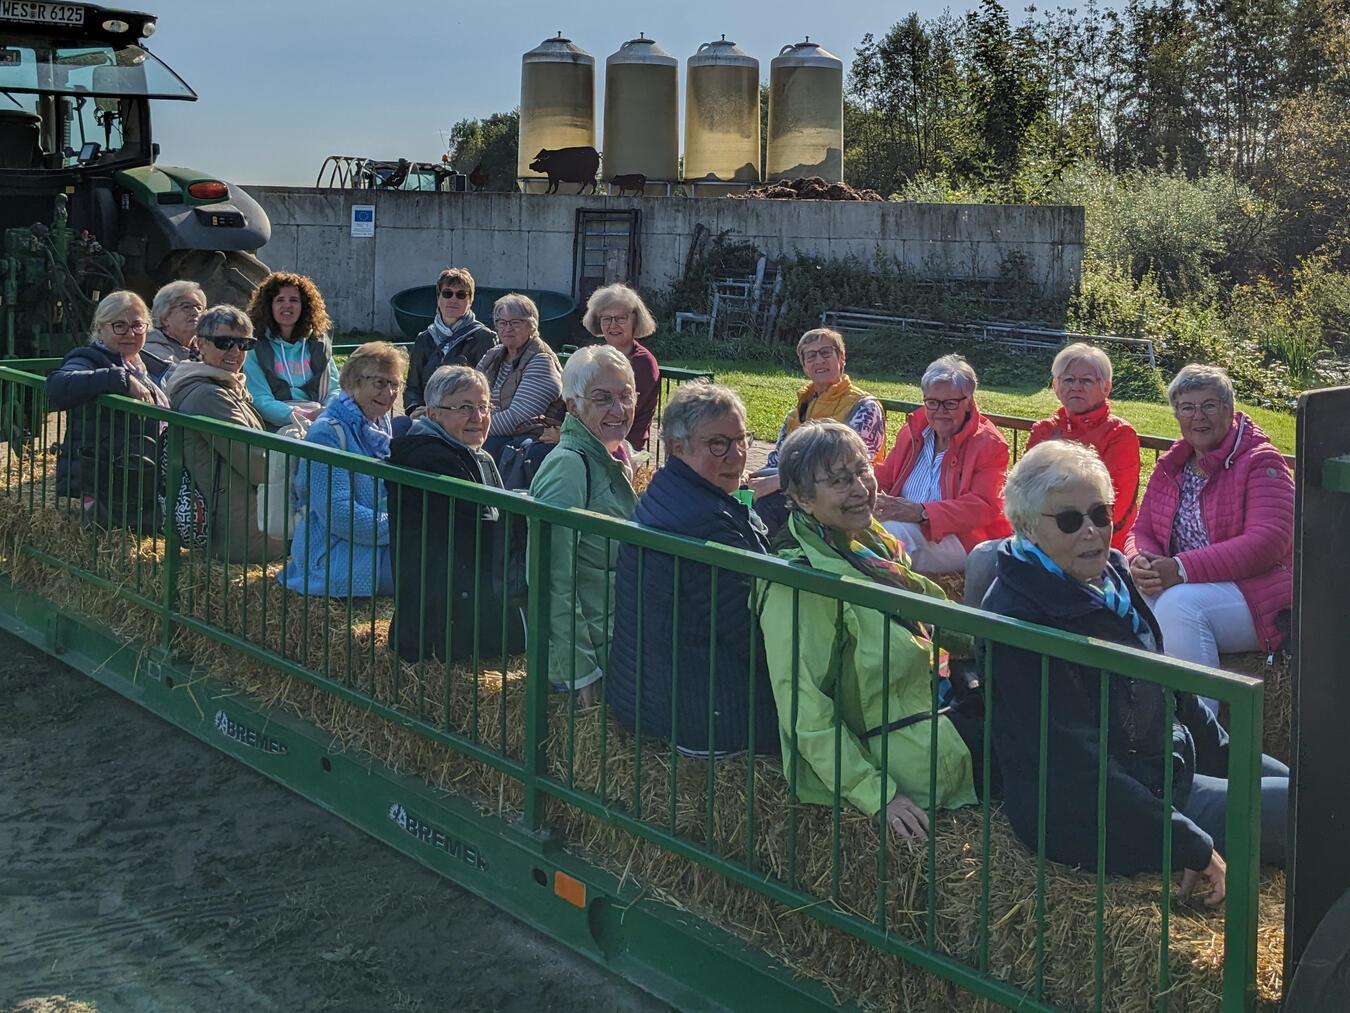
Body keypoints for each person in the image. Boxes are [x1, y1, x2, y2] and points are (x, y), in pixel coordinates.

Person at [983, 440, 1287, 901]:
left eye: (1100, 514)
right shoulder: (1021, 618)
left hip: (1160, 762)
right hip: (1104, 811)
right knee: (1319, 813)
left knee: (1306, 784)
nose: (1091, 531)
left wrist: (1230, 755)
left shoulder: (1110, 576)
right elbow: (1072, 764)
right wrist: (1187, 842)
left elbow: (1167, 684)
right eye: (1069, 520)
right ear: (1026, 526)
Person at [755, 421, 980, 841]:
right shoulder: (799, 585)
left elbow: (935, 611)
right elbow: (805, 711)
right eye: (839, 480)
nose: (860, 488)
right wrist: (880, 795)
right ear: (801, 498)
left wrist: (996, 640)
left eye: (863, 471)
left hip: (935, 714)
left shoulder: (871, 545)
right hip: (906, 754)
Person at [607, 383, 779, 755]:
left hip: (645, 692)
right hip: (700, 716)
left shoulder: (669, 492)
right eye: (718, 444)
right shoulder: (704, 521)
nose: (736, 455)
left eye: (741, 439)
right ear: (678, 447)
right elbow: (754, 636)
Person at [1126, 365, 1294, 705]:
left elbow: (1269, 541)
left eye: (1209, 405)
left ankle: (1202, 732)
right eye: (1187, 407)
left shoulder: (1261, 461)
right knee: (1112, 577)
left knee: (1180, 606)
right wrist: (1138, 560)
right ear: (1176, 414)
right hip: (1184, 581)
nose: (1197, 417)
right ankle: (1132, 712)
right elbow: (1142, 529)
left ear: (1230, 410)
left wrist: (1182, 569)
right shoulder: (1173, 465)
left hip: (1256, 592)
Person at [387, 365, 525, 663]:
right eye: (465, 408)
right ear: (434, 413)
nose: (479, 417)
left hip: (460, 602)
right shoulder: (430, 458)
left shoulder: (472, 453)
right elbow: (476, 529)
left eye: (484, 406)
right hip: (444, 626)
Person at [529, 345, 639, 707]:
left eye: (626, 396)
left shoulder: (608, 458)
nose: (619, 409)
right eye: (603, 398)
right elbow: (551, 575)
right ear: (573, 405)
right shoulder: (569, 467)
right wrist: (580, 670)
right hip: (589, 660)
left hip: (616, 643)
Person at [281, 342, 407, 597]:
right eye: (380, 383)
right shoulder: (327, 432)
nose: (390, 392)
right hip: (333, 552)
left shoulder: (378, 422)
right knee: (432, 575)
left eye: (395, 384)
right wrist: (402, 528)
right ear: (351, 383)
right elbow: (338, 514)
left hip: (372, 541)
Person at [164, 305, 287, 563]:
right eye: (224, 342)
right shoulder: (209, 395)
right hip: (244, 533)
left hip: (240, 517)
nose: (235, 352)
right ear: (201, 344)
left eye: (244, 344)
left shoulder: (222, 385)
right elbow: (259, 465)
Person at [873, 354, 1012, 574]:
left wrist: (923, 512)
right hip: (906, 524)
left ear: (969, 402)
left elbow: (984, 506)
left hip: (961, 538)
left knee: (888, 536)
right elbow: (886, 473)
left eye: (949, 404)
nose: (940, 412)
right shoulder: (912, 432)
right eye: (932, 402)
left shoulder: (989, 444)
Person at [46, 290, 167, 531]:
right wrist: (120, 379)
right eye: (119, 326)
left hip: (140, 476)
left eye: (137, 325)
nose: (130, 334)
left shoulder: (151, 366)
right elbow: (58, 385)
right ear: (100, 329)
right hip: (107, 481)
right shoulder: (89, 358)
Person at [750, 328, 886, 534]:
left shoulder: (864, 407)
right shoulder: (797, 411)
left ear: (842, 358)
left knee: (768, 505)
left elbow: (850, 467)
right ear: (804, 366)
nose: (819, 360)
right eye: (811, 356)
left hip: (844, 497)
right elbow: (776, 461)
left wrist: (780, 482)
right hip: (804, 492)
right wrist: (749, 478)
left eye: (826, 353)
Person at [1025, 342, 1140, 550]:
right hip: (1040, 538)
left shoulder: (1120, 435)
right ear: (1055, 386)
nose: (1076, 387)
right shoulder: (1043, 430)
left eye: (1086, 380)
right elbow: (1023, 490)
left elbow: (1113, 508)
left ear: (1106, 387)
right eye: (1068, 380)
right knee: (985, 556)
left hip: (1098, 546)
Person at [476, 293, 564, 480]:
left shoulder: (541, 361)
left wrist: (471, 425)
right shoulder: (493, 355)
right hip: (486, 429)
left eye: (515, 323)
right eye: (501, 323)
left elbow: (518, 418)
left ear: (532, 326)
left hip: (520, 439)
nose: (507, 328)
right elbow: (468, 391)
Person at [241, 271, 341, 431]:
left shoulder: (318, 344)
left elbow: (334, 388)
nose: (287, 305)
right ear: (268, 306)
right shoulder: (255, 347)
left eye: (294, 300)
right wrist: (302, 415)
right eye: (279, 300)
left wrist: (326, 413)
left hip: (322, 419)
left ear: (305, 306)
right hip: (279, 425)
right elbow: (259, 398)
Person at [402, 267, 496, 418]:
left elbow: (488, 387)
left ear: (470, 300)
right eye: (447, 293)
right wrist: (414, 409)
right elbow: (413, 387)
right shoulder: (424, 339)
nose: (453, 299)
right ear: (438, 298)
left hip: (466, 416)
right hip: (427, 416)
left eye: (461, 295)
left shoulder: (484, 338)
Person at [582, 283, 660, 450]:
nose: (613, 325)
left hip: (621, 446)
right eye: (607, 319)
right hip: (590, 439)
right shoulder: (596, 356)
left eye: (621, 318)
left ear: (635, 320)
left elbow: (620, 414)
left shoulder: (643, 363)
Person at [144, 280, 206, 369]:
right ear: (165, 317)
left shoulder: (205, 347)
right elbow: (180, 379)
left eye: (199, 307)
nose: (196, 312)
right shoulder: (152, 351)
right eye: (186, 307)